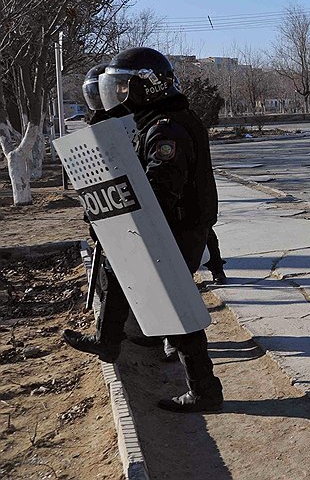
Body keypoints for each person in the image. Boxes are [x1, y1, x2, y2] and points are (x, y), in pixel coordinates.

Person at [62, 47, 223, 413]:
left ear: (146, 87)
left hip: (178, 229)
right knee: (124, 272)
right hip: (171, 226)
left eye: (123, 88)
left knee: (174, 308)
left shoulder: (168, 129)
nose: (116, 96)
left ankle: (205, 391)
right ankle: (109, 340)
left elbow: (161, 189)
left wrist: (119, 209)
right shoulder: (159, 121)